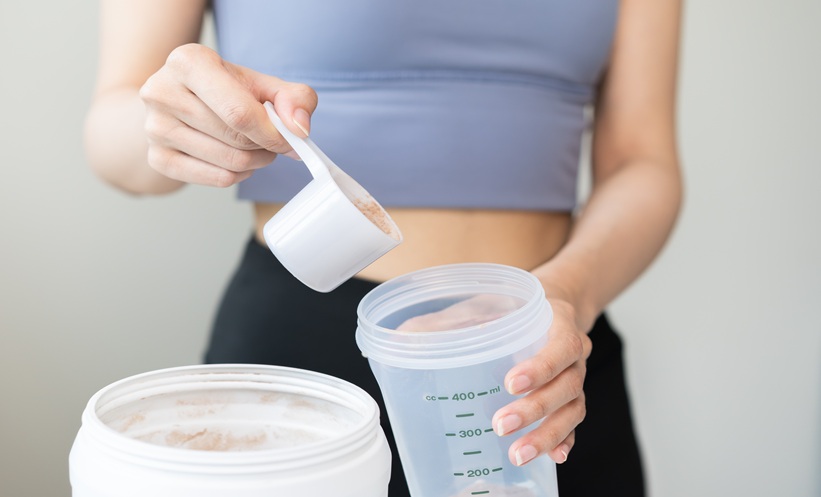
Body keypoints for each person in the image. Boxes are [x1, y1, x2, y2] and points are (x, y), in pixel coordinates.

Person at [84, 1, 683, 496]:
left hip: (547, 350)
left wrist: (565, 293)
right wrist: (168, 122)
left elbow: (643, 162)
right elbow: (113, 133)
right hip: (304, 361)